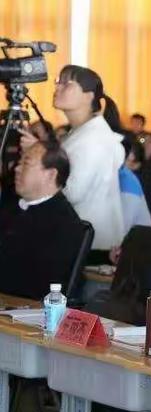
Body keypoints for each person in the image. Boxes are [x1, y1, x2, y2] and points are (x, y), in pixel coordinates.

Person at [21, 65, 125, 255]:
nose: (57, 88)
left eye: (67, 84)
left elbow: (72, 192)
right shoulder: (79, 133)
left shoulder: (94, 138)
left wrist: (40, 155)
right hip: (79, 240)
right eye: (57, 83)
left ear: (89, 96)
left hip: (92, 247)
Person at [0, 141, 84, 299]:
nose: (17, 169)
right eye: (19, 162)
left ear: (51, 174)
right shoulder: (10, 206)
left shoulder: (65, 224)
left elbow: (39, 283)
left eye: (26, 164)